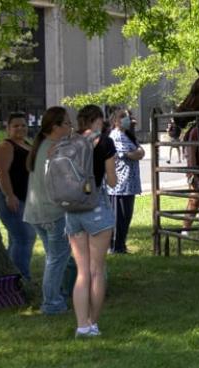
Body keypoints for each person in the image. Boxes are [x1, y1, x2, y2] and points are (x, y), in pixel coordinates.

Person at [65, 105, 117, 338]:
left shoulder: (68, 142)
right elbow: (114, 181)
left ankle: (81, 325)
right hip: (95, 208)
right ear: (97, 120)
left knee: (82, 272)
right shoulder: (105, 142)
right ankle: (92, 323)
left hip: (72, 209)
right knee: (97, 271)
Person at [24, 107, 72, 315]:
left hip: (36, 213)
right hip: (52, 213)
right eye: (67, 123)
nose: (71, 127)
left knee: (54, 257)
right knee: (56, 259)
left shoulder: (42, 146)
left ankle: (58, 295)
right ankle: (52, 303)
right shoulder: (54, 149)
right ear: (55, 127)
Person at [0, 112, 36, 280]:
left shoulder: (26, 144)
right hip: (9, 198)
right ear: (8, 128)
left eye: (23, 125)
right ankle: (22, 279)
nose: (20, 128)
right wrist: (9, 195)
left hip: (24, 199)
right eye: (16, 125)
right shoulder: (5, 146)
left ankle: (12, 277)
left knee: (17, 239)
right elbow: (1, 172)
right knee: (25, 237)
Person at [107, 111, 144, 254]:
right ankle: (115, 246)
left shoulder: (128, 135)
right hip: (120, 185)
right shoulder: (115, 136)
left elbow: (140, 152)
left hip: (131, 183)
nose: (127, 120)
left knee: (126, 216)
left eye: (127, 117)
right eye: (123, 117)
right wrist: (136, 153)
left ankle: (121, 245)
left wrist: (136, 153)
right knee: (119, 217)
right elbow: (132, 154)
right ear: (116, 121)